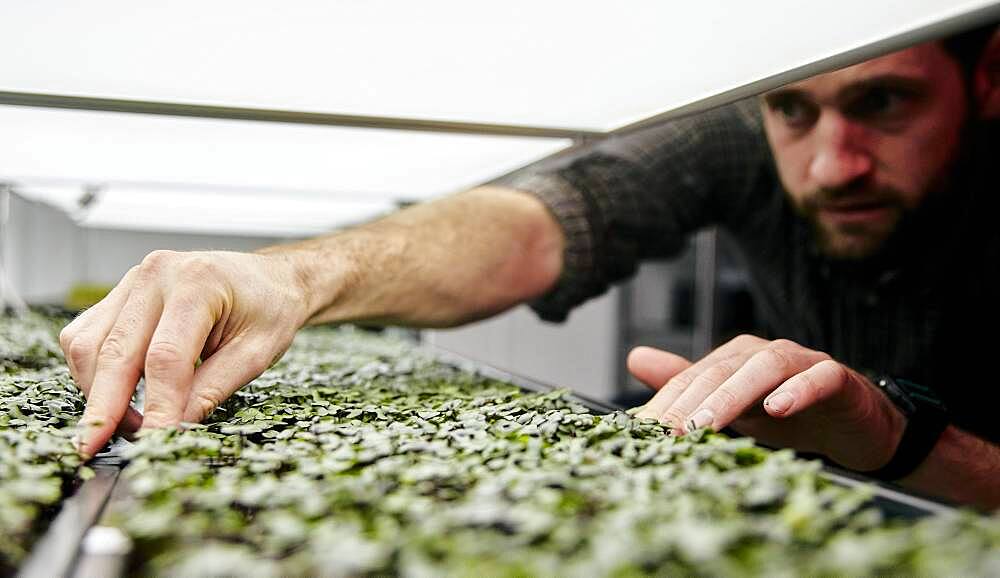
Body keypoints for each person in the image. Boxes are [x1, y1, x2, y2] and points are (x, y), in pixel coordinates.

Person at [59, 28, 1000, 508]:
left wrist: (900, 438)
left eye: (885, 103)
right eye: (794, 111)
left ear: (989, 74)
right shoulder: (743, 138)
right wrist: (294, 277)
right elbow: (539, 225)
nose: (835, 162)